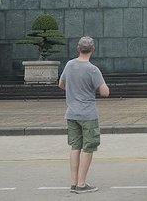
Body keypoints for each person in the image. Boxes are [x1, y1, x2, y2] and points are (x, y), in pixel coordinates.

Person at [58, 36, 110, 193]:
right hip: (88, 114)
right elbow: (105, 92)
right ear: (93, 50)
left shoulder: (69, 65)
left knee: (75, 147)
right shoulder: (92, 69)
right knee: (88, 148)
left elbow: (61, 84)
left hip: (71, 113)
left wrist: (74, 90)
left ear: (78, 49)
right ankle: (81, 184)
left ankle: (73, 182)